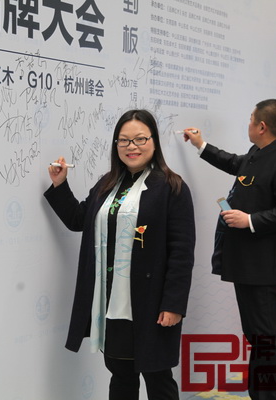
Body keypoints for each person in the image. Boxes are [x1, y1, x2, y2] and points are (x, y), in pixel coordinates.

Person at [44, 109, 195, 400]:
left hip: (152, 303)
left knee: (158, 378)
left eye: (140, 139)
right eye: (124, 140)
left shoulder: (172, 186)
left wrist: (174, 304)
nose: (131, 147)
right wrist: (60, 185)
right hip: (111, 301)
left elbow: (182, 252)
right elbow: (78, 219)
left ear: (154, 142)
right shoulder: (107, 184)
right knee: (121, 374)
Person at [181, 99, 276, 400]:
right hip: (249, 263)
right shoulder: (260, 152)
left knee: (269, 338)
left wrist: (249, 220)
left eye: (251, 119)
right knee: (259, 336)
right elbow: (235, 163)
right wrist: (201, 145)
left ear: (262, 126)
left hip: (265, 267)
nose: (248, 123)